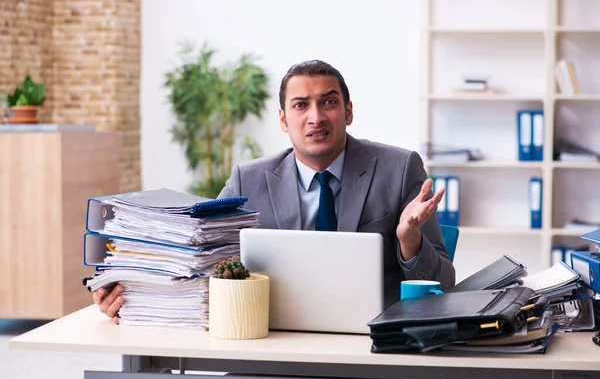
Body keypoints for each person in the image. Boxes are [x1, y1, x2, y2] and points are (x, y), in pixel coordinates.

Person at [93, 60, 456, 322]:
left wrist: (409, 240)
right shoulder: (247, 180)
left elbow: (443, 282)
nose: (315, 117)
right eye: (301, 105)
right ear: (283, 119)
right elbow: (200, 261)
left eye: (328, 102)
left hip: (372, 341)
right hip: (273, 336)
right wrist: (131, 289)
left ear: (348, 111)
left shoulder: (399, 168)